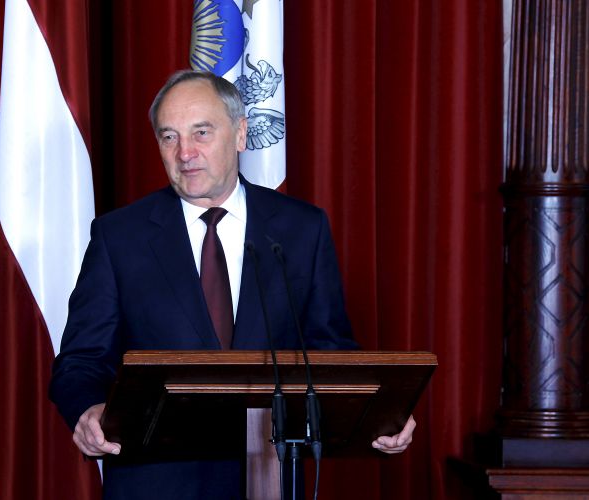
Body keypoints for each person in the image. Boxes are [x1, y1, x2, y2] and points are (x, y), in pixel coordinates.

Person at [50, 70, 415, 499]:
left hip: (270, 476)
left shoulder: (302, 229)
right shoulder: (119, 236)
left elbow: (329, 351)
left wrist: (380, 413)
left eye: (201, 132)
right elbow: (80, 361)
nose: (185, 152)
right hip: (154, 482)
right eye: (169, 137)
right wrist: (89, 409)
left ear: (240, 134)